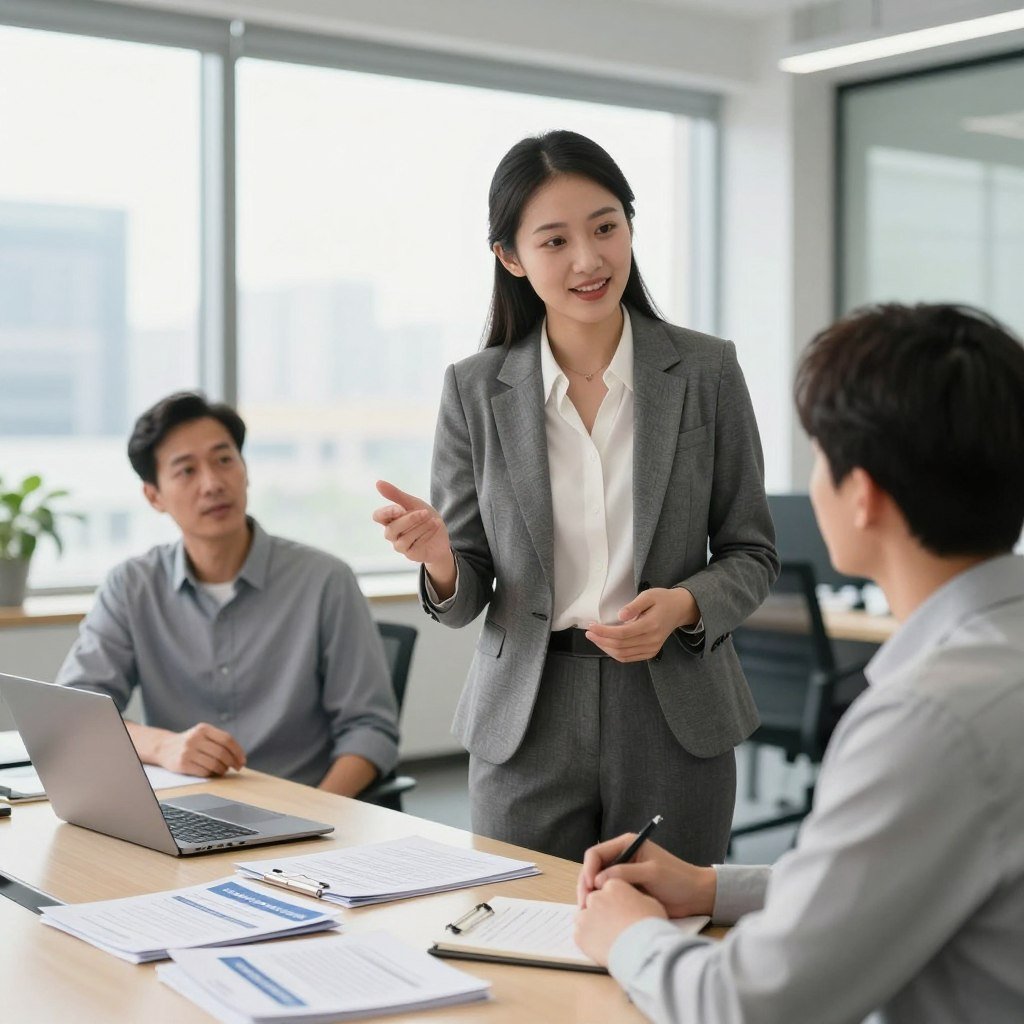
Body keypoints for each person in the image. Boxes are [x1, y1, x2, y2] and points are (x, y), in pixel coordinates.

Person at [575, 303, 1024, 1023]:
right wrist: (713, 888)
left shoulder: (928, 721)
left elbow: (748, 1007)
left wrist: (629, 935)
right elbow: (892, 870)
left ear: (864, 496)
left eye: (820, 457)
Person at [374, 130, 778, 863]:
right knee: (518, 932)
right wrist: (439, 560)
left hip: (674, 707)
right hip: (526, 717)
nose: (589, 260)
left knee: (671, 939)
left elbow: (752, 552)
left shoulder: (707, 372)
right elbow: (465, 597)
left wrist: (685, 605)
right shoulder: (475, 389)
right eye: (554, 240)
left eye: (605, 228)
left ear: (630, 225)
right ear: (511, 257)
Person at [57, 391, 399, 796]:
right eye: (186, 471)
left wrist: (319, 816)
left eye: (224, 460)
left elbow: (370, 730)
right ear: (154, 497)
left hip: (306, 812)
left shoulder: (326, 580)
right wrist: (164, 746)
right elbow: (75, 713)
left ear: (245, 469)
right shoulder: (131, 586)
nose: (213, 484)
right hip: (184, 813)